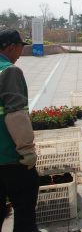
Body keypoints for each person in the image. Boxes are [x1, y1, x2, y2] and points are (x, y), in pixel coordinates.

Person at [0, 29, 47, 232]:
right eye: (20, 47)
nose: (20, 53)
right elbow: (15, 114)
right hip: (10, 156)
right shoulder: (9, 71)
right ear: (11, 46)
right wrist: (27, 150)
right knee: (24, 205)